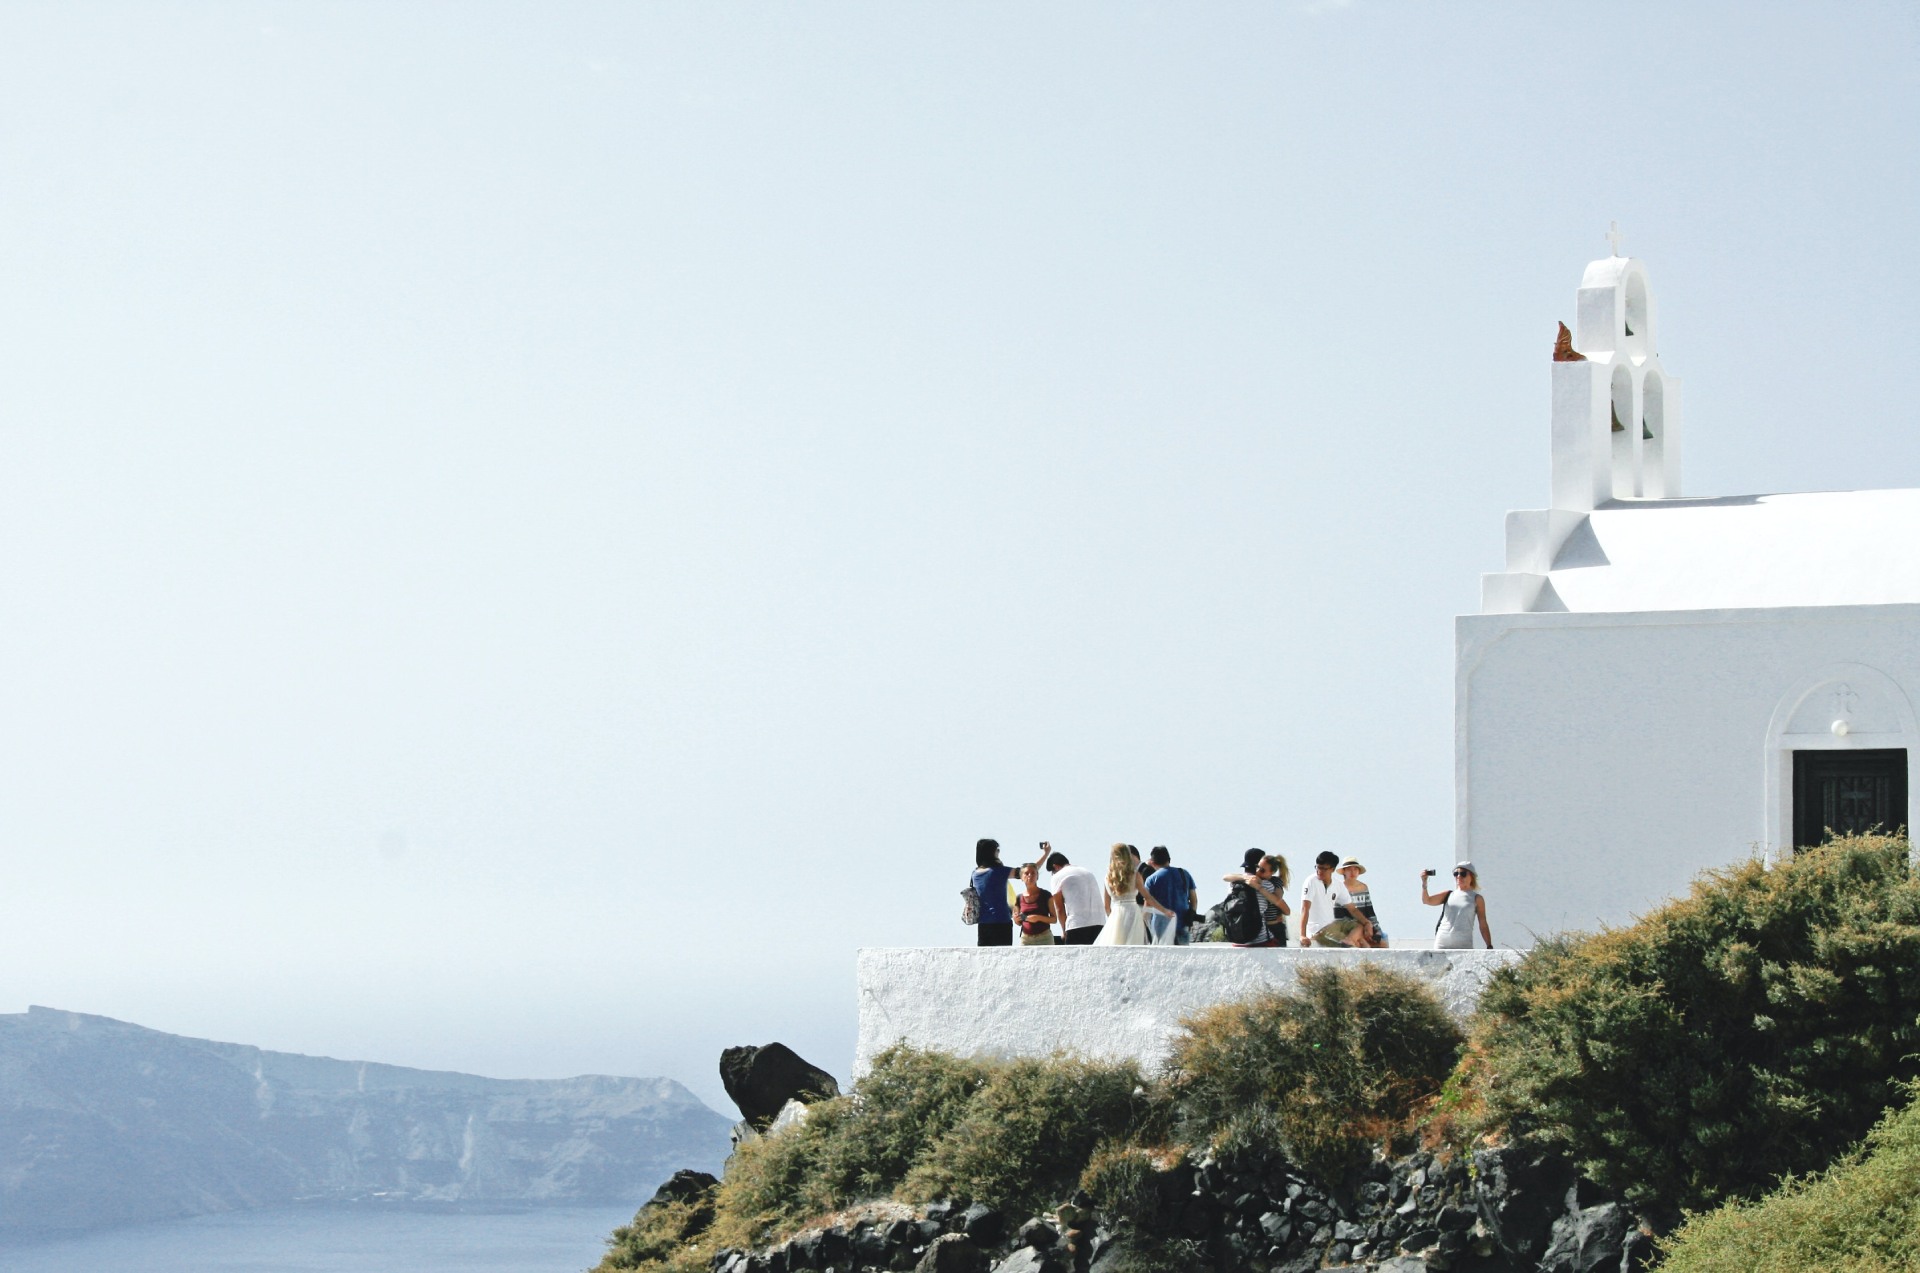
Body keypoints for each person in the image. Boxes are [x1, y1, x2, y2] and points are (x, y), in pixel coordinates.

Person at [1094, 842, 1175, 945]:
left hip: (1116, 913)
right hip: (1133, 913)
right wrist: (1164, 911)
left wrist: (1112, 920)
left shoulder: (1108, 877)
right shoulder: (1134, 875)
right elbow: (1148, 898)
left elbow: (1106, 906)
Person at [1221, 848, 1290, 947]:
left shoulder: (1232, 883)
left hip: (1237, 940)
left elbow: (1225, 877)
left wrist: (1244, 878)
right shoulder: (1267, 885)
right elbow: (1283, 906)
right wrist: (1259, 886)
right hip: (1260, 939)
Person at [1300, 850, 1368, 948]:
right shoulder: (1311, 881)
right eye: (1318, 867)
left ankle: (1350, 940)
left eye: (1324, 869)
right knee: (1352, 946)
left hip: (1334, 925)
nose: (1319, 871)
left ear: (1332, 869)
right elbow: (1305, 908)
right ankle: (1351, 943)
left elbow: (1352, 909)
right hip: (1319, 930)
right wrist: (1302, 935)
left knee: (1359, 926)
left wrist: (1367, 923)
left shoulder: (1338, 885)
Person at [1423, 862, 1494, 949]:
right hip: (1441, 943)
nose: (1459, 876)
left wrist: (1489, 945)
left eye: (1463, 874)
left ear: (1471, 877)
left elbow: (1483, 924)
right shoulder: (1448, 894)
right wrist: (1424, 883)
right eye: (1456, 873)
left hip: (1463, 944)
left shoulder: (1477, 898)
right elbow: (1427, 900)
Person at [1045, 848, 1106, 945]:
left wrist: (1064, 930)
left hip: (1077, 924)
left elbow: (1059, 908)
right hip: (1100, 922)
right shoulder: (1087, 871)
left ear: (1055, 867)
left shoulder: (1057, 876)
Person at [1144, 846, 1197, 945]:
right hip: (1182, 924)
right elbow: (1194, 900)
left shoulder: (1151, 879)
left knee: (1161, 957)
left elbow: (1147, 906)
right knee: (1183, 957)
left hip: (1160, 926)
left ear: (1153, 863)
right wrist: (1191, 915)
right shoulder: (1184, 873)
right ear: (1169, 860)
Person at [969, 839, 1015, 947]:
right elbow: (1026, 872)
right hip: (1002, 920)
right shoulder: (999, 871)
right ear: (991, 853)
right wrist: (1045, 854)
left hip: (983, 922)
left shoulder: (974, 874)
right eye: (997, 850)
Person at [1336, 858, 1387, 948]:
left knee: (1382, 945)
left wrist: (1376, 929)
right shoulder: (1339, 888)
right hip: (1348, 926)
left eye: (1355, 869)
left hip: (1364, 925)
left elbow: (1369, 910)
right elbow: (1337, 913)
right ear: (1344, 871)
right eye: (1349, 869)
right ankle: (1350, 941)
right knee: (1362, 938)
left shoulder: (1363, 887)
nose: (1352, 872)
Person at [1015, 862, 1056, 945]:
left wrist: (1038, 918)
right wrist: (1016, 919)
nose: (1030, 875)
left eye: (1033, 873)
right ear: (1021, 877)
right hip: (1026, 939)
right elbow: (1018, 922)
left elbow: (1054, 919)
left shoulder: (1046, 895)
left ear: (1037, 877)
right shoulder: (1019, 898)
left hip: (1045, 938)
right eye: (1026, 873)